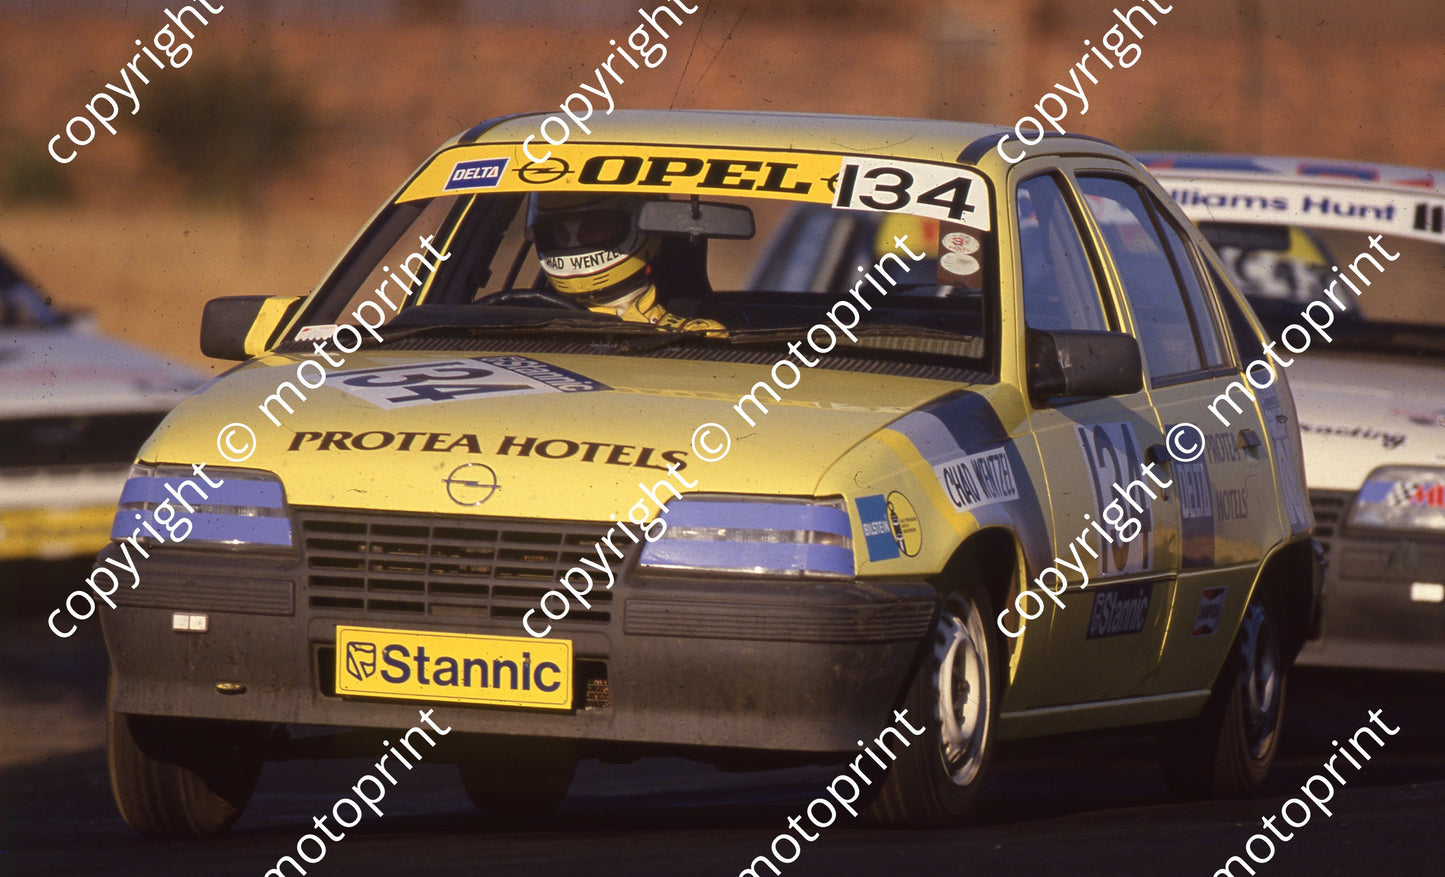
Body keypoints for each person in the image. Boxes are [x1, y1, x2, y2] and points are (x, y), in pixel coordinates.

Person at [527, 192, 724, 332]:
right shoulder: (520, 325)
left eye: (591, 227)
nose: (573, 241)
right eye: (559, 231)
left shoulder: (695, 335)